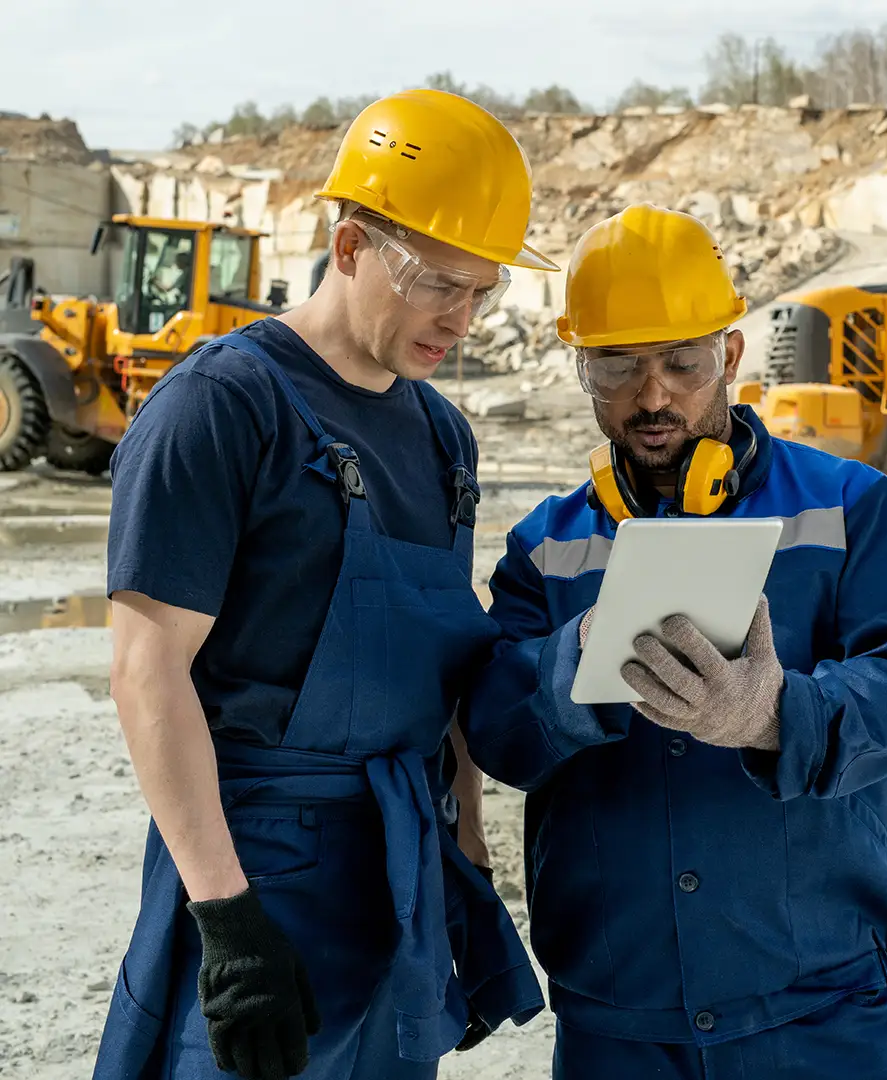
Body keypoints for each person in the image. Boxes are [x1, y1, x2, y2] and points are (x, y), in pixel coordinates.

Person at [94, 88, 558, 1080]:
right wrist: (227, 918)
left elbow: (444, 672)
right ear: (350, 247)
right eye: (440, 284)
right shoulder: (220, 408)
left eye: (485, 292)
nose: (463, 320)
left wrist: (465, 850)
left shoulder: (443, 435)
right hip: (259, 862)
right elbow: (146, 673)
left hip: (397, 870)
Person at [458, 203, 887, 1080]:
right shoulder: (546, 546)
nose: (651, 395)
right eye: (616, 364)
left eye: (681, 362)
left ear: (728, 356)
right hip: (621, 1017)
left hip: (825, 1008)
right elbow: (496, 732)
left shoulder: (849, 508)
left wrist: (776, 715)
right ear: (581, 368)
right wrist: (571, 668)